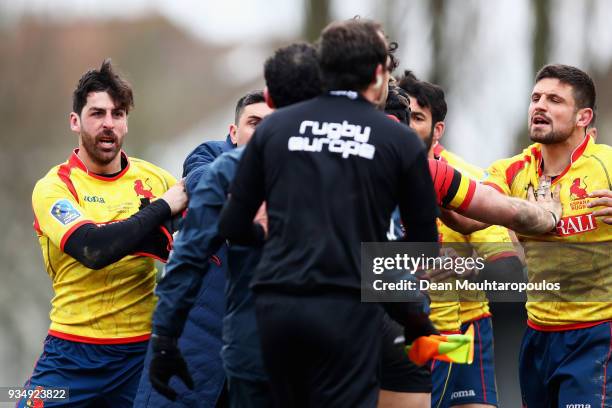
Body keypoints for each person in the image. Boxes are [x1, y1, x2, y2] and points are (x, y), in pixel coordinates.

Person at [218, 19, 440, 407]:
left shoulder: (276, 128)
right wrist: (413, 319)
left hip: (276, 307)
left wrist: (269, 239)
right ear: (378, 73)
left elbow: (233, 225)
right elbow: (421, 250)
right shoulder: (399, 139)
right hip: (346, 309)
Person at [148, 42, 323, 408]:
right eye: (253, 124)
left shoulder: (332, 169)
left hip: (282, 357)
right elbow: (199, 190)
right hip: (208, 356)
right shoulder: (217, 160)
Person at [20, 59, 188, 408]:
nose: (108, 124)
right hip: (71, 355)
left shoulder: (157, 180)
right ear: (75, 121)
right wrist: (159, 211)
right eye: (97, 113)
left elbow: (197, 245)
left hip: (140, 355)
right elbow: (92, 249)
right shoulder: (55, 187)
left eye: (118, 113)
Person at [481, 64, 612, 407]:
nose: (539, 105)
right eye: (535, 97)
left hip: (596, 334)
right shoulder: (510, 170)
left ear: (583, 117)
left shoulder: (607, 165)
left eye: (554, 100)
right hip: (537, 335)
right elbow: (470, 214)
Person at [134, 91, 271, 408]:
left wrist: (408, 321)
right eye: (254, 122)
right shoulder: (213, 158)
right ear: (233, 133)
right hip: (193, 354)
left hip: (260, 361)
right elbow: (200, 177)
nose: (263, 132)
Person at [398, 71, 523, 408]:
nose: (407, 125)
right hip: (402, 323)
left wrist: (466, 266)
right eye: (401, 116)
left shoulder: (461, 175)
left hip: (465, 326)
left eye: (418, 118)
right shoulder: (372, 169)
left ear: (438, 130)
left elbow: (507, 265)